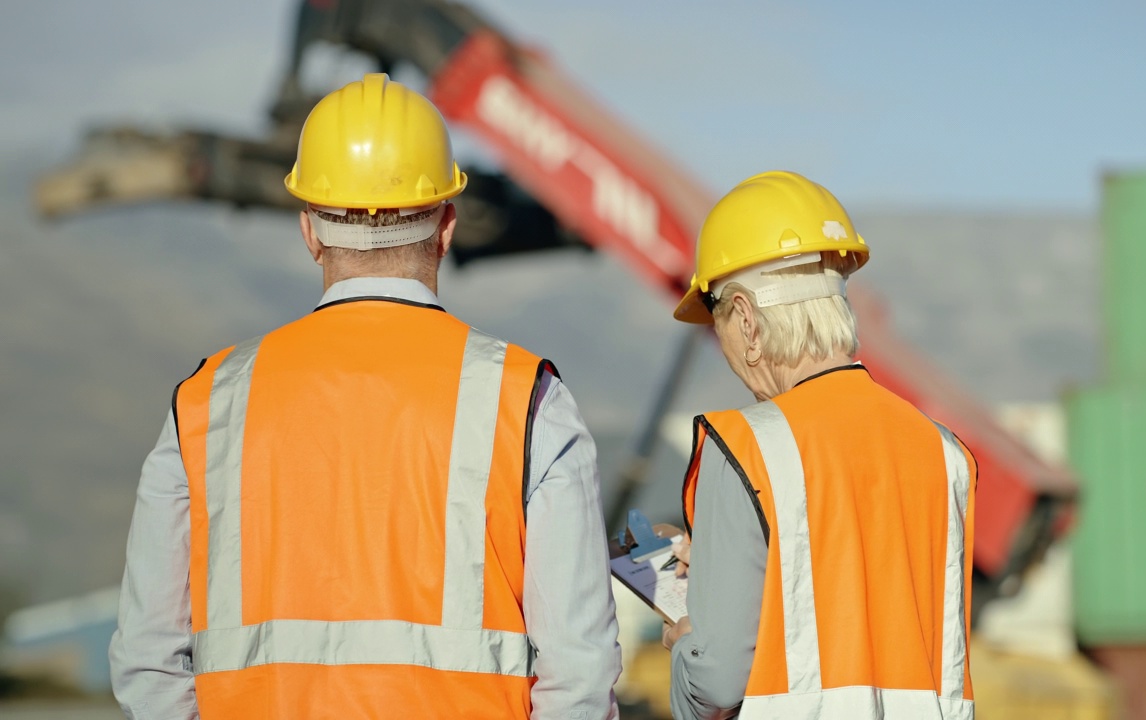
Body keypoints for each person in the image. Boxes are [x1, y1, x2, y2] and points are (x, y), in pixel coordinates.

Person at [108, 74, 622, 720]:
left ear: (309, 229)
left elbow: (149, 663)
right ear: (448, 224)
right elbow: (578, 674)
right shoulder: (527, 401)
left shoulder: (207, 403)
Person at [663, 171, 977, 719]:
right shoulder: (943, 451)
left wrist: (688, 637)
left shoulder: (745, 445)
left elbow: (718, 683)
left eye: (719, 330)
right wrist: (728, 562)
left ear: (746, 319)